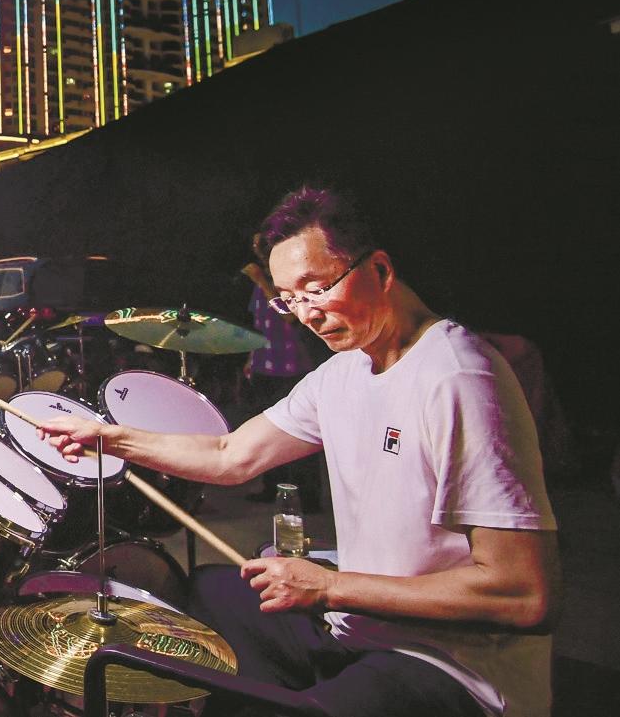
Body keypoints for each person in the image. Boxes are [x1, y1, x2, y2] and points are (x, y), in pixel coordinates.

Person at [39, 186, 558, 717]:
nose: (304, 314)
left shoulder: (457, 378)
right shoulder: (344, 370)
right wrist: (110, 439)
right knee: (210, 594)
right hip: (362, 628)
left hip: (451, 664)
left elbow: (522, 593)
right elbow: (230, 454)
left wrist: (331, 586)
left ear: (380, 269)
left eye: (316, 288)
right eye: (288, 298)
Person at [240, 234, 322, 510]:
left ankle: (309, 497)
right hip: (264, 365)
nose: (256, 250)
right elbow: (259, 325)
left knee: (300, 434)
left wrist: (262, 282)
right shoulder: (258, 284)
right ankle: (272, 488)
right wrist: (250, 358)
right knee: (267, 432)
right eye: (254, 245)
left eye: (261, 244)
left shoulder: (285, 279)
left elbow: (289, 315)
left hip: (292, 366)